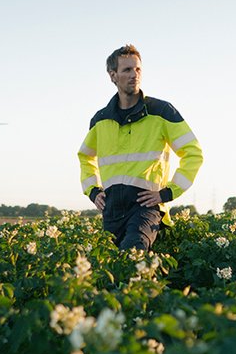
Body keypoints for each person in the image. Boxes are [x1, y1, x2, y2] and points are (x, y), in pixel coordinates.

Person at [78, 44, 203, 250]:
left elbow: (193, 153)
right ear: (113, 75)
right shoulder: (100, 120)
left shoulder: (162, 111)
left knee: (134, 251)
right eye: (127, 70)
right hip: (112, 210)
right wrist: (93, 191)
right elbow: (85, 157)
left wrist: (167, 193)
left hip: (146, 206)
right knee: (110, 266)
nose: (134, 75)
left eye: (137, 69)